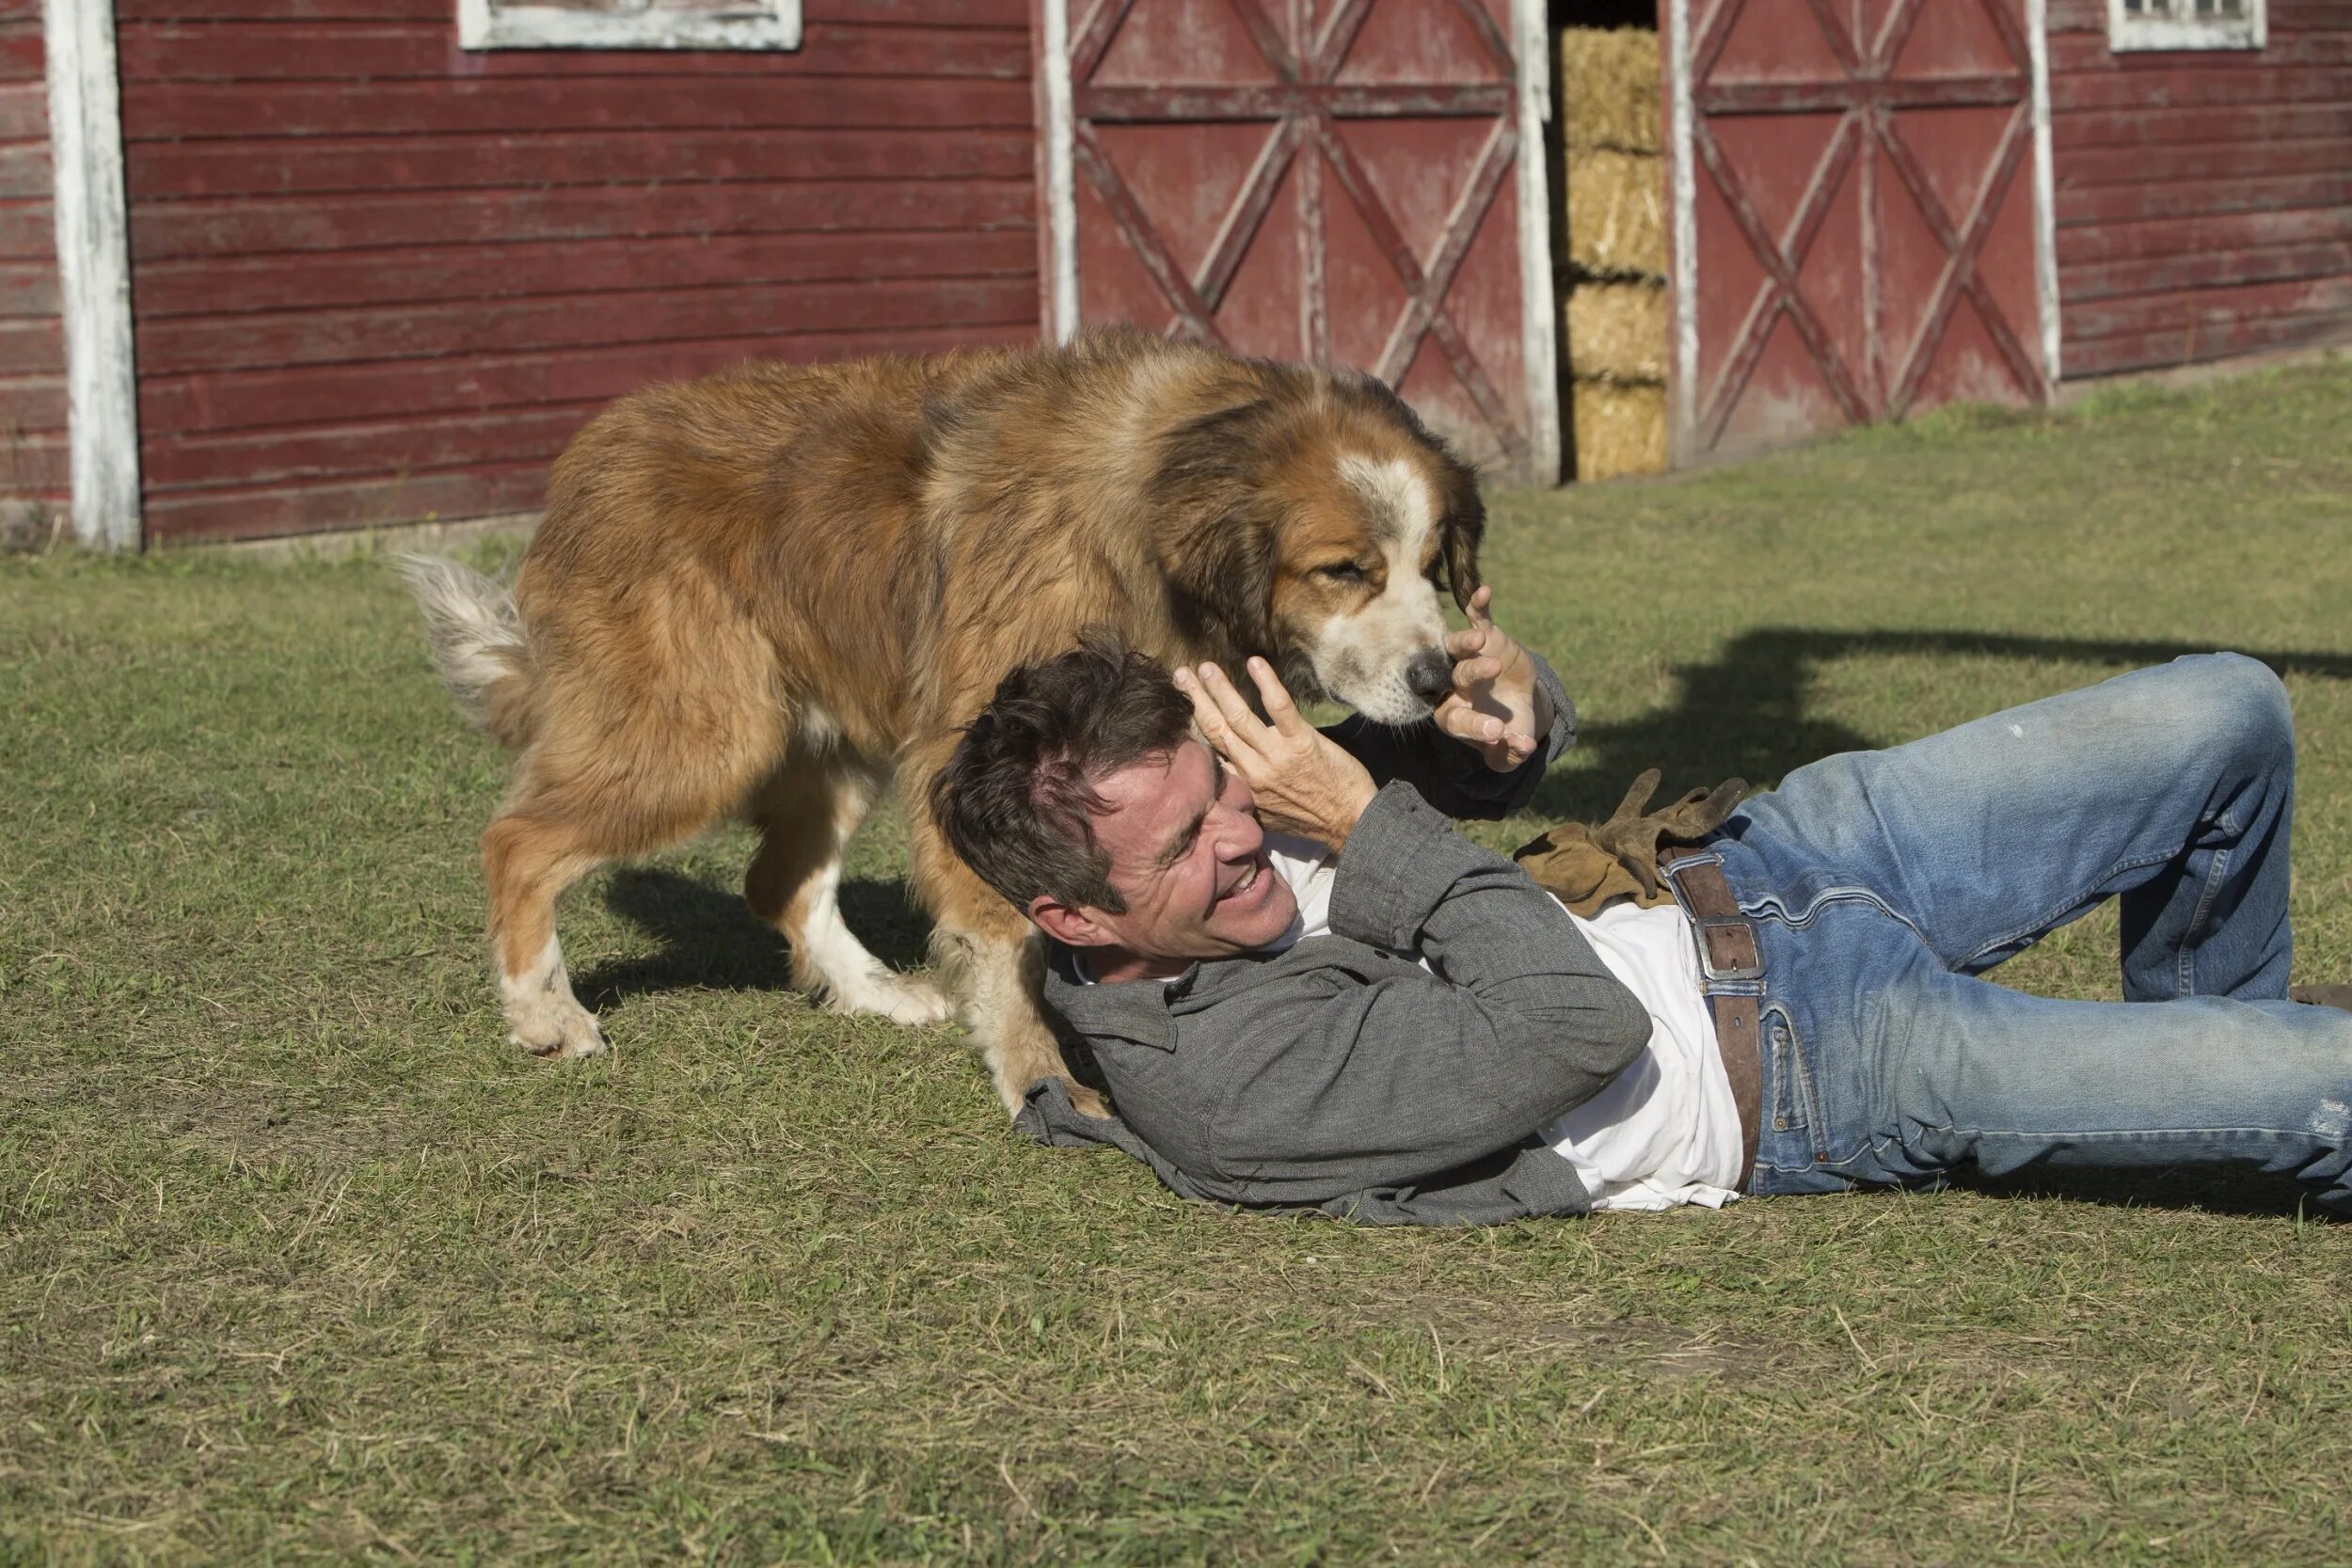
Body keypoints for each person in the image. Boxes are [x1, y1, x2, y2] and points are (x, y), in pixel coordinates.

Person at [930, 598, 2352, 1223]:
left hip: (1775, 859)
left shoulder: (1203, 866)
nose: (1244, 831)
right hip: (1811, 1070)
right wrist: (1360, 821)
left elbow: (1439, 803)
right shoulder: (1237, 1088)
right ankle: (2232, 1095)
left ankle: (2202, 1079)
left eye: (1228, 786)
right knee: (2333, 1085)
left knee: (2233, 709)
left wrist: (1504, 716)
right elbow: (1571, 1018)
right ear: (1074, 920)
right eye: (1190, 840)